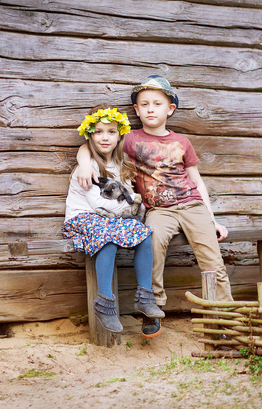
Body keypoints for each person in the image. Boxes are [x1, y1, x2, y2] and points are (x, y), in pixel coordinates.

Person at [76, 76, 233, 337]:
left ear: (170, 109)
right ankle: (153, 307)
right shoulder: (129, 139)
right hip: (158, 211)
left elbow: (197, 181)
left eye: (157, 104)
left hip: (192, 206)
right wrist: (83, 164)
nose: (151, 109)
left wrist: (212, 218)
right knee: (152, 243)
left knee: (212, 261)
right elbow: (90, 145)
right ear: (136, 110)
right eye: (144, 104)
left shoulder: (182, 142)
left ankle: (224, 319)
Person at [62, 107, 165, 336]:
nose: (105, 137)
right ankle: (105, 303)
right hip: (83, 216)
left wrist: (133, 209)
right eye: (98, 132)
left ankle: (145, 297)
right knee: (106, 237)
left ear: (119, 136)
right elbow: (99, 204)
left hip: (110, 219)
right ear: (90, 136)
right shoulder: (87, 167)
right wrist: (131, 208)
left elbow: (126, 195)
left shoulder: (121, 164)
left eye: (111, 132)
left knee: (142, 232)